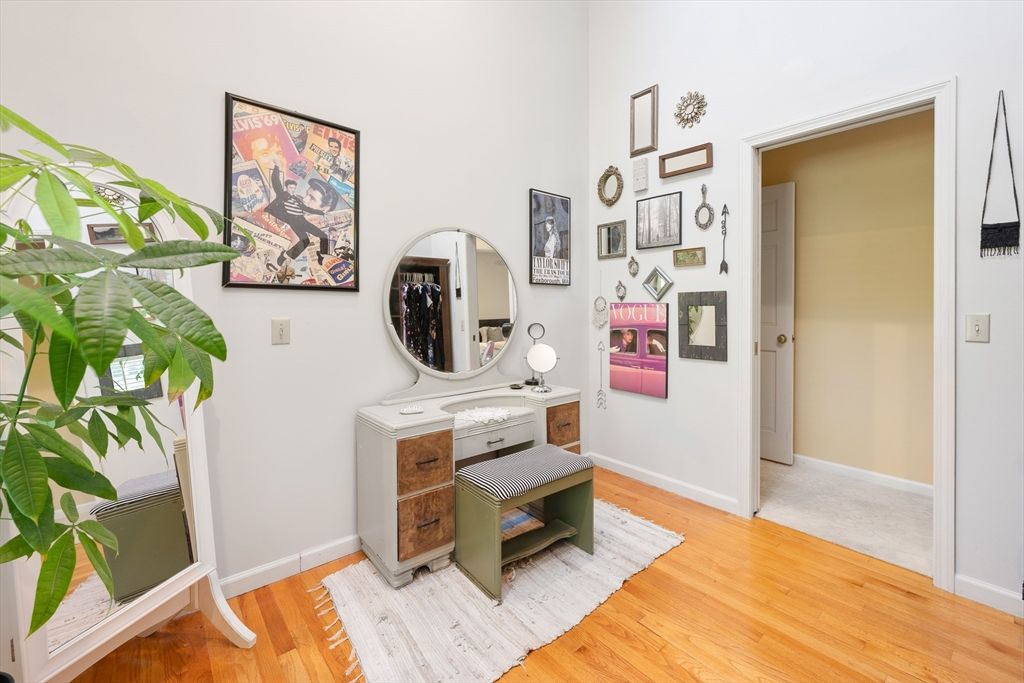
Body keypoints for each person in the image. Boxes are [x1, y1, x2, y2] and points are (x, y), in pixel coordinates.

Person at [265, 164, 339, 266]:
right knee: (305, 241)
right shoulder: (285, 197)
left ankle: (323, 256)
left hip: (301, 220)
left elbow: (307, 209)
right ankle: (285, 256)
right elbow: (276, 183)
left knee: (323, 236)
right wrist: (276, 168)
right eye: (307, 194)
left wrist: (321, 213)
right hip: (294, 221)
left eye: (312, 198)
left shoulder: (298, 201)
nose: (305, 199)